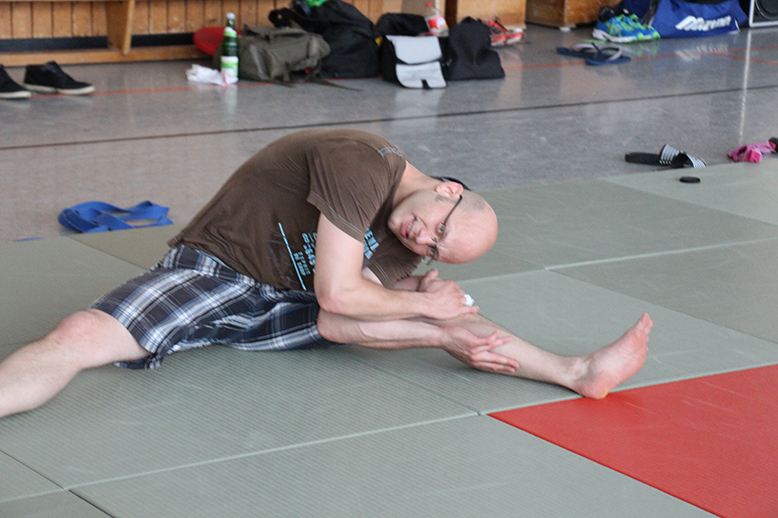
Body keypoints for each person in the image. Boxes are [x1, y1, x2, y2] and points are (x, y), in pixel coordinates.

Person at [0, 129, 652, 418]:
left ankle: (575, 371)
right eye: (438, 228)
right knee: (79, 336)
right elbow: (340, 293)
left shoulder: (405, 242)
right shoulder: (361, 161)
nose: (422, 240)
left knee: (445, 313)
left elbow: (341, 323)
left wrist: (430, 310)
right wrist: (422, 307)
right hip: (220, 270)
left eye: (437, 250)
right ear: (449, 190)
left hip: (287, 302)